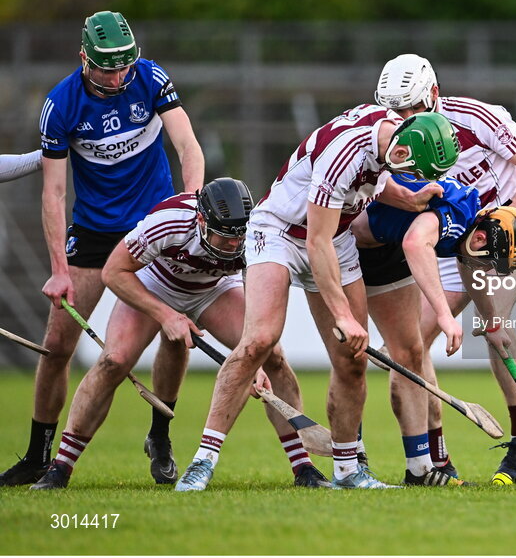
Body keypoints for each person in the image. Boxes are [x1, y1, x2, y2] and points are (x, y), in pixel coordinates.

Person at [174, 106, 456, 492]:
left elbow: (369, 185)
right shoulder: (346, 151)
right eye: (414, 171)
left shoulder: (394, 136)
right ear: (402, 151)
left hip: (334, 236)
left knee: (352, 361)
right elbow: (315, 242)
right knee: (259, 340)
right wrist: (342, 315)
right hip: (282, 232)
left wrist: (409, 197)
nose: (414, 177)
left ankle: (347, 470)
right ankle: (203, 461)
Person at [0, 11, 205, 487]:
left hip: (154, 225)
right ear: (84, 59)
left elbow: (188, 145)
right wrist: (59, 270)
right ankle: (38, 455)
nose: (117, 78)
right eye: (106, 68)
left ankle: (160, 435)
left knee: (174, 335)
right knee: (56, 347)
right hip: (93, 231)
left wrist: (188, 205)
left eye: (124, 66)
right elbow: (53, 194)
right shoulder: (60, 104)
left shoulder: (150, 78)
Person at [29, 179, 330, 489]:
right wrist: (167, 315)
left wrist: (254, 359)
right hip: (154, 284)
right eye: (224, 237)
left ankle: (303, 468)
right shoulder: (170, 222)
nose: (233, 245)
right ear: (201, 220)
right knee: (114, 361)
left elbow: (257, 300)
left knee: (274, 356)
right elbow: (113, 272)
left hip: (213, 290)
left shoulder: (254, 235)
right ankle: (60, 467)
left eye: (237, 237)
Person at [375, 54, 516, 484]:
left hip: (503, 235)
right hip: (450, 237)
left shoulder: (476, 116)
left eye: (413, 109)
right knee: (405, 350)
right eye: (396, 112)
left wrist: (512, 217)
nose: (403, 120)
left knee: (495, 327)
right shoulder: (387, 137)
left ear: (433, 95)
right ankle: (433, 461)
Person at [353, 170, 516, 485]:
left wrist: (492, 322)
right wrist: (444, 315)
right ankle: (351, 459)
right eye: (491, 262)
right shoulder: (456, 213)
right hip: (342, 243)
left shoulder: (468, 227)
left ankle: (421, 469)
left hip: (379, 250)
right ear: (480, 240)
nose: (487, 270)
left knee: (407, 351)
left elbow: (466, 269)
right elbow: (414, 242)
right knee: (350, 362)